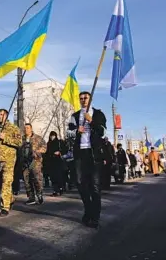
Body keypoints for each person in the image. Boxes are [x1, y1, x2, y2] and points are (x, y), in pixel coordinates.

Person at [68, 91, 107, 229]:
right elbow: (69, 133)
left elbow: (103, 131)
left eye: (86, 98)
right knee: (80, 182)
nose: (83, 100)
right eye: (81, 98)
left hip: (93, 153)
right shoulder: (75, 115)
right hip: (80, 153)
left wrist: (91, 120)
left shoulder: (98, 114)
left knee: (95, 186)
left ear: (91, 99)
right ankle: (88, 209)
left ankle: (95, 217)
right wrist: (76, 131)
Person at [0, 108, 22, 216]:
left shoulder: (13, 128)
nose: (0, 116)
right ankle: (10, 198)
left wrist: (5, 137)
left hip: (9, 159)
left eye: (2, 115)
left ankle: (5, 207)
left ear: (6, 116)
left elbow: (19, 142)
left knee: (6, 182)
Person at [21, 123, 47, 205]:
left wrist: (37, 151)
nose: (26, 130)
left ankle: (39, 193)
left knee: (36, 178)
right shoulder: (22, 139)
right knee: (27, 180)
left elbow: (44, 147)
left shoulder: (38, 138)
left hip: (35, 161)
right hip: (25, 162)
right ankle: (31, 197)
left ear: (31, 129)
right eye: (25, 128)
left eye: (28, 128)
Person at [44, 131, 65, 196]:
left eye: (53, 136)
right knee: (52, 177)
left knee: (58, 176)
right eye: (51, 136)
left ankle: (61, 188)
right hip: (50, 162)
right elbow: (46, 153)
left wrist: (59, 152)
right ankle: (55, 190)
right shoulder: (48, 143)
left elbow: (65, 149)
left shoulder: (59, 142)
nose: (52, 137)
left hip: (58, 162)